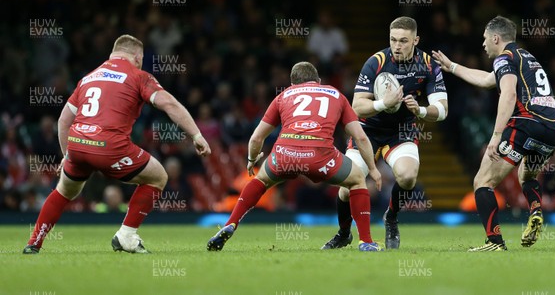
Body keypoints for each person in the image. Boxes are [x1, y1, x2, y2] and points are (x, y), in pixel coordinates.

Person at [23, 35, 211, 254]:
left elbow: (64, 120)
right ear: (138, 57)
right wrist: (197, 136)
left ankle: (34, 243)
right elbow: (169, 103)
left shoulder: (88, 78)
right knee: (158, 176)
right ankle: (126, 236)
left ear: (113, 54)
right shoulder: (138, 75)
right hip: (109, 146)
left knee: (64, 190)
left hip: (77, 144)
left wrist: (66, 156)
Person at [206, 61, 383, 251]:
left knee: (261, 180)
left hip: (285, 153)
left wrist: (251, 160)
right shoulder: (335, 94)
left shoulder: (283, 95)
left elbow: (257, 137)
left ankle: (230, 223)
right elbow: (361, 138)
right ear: (318, 81)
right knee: (357, 180)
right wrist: (373, 169)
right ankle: (365, 241)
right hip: (320, 155)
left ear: (292, 84)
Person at [432, 16, 555, 251]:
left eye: (484, 39)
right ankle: (536, 212)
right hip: (551, 128)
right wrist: (452, 67)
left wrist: (496, 136)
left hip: (525, 124)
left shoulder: (504, 58)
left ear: (496, 38)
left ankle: (494, 241)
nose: (483, 44)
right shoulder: (525, 57)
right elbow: (488, 80)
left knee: (482, 181)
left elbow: (509, 95)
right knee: (527, 176)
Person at [322, 16, 448, 250]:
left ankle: (391, 217)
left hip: (401, 131)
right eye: (393, 40)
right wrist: (384, 104)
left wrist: (419, 110)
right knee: (348, 184)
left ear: (415, 40)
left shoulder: (429, 65)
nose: (397, 46)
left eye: (403, 41)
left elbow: (442, 110)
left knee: (408, 177)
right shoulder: (376, 62)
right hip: (367, 130)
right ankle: (343, 233)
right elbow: (357, 106)